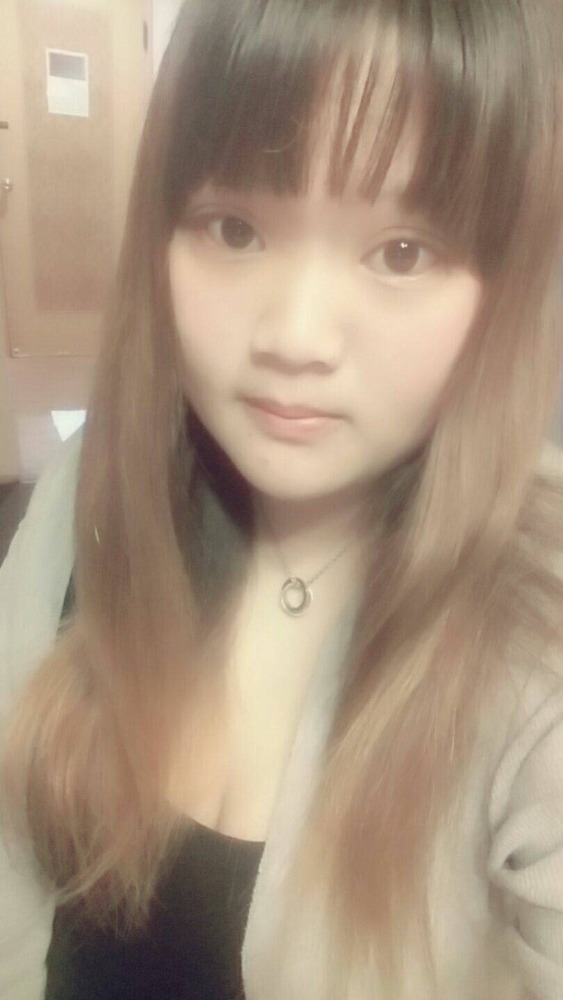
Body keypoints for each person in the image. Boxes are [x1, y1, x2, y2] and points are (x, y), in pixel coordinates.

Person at [1, 0, 563, 997]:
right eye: (235, 229)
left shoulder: (537, 624)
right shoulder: (86, 499)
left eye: (401, 252)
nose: (295, 337)